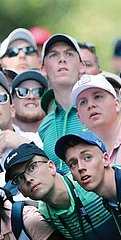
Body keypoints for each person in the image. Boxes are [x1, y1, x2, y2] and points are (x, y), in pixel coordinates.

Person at [37, 34, 87, 172]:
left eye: (69, 54)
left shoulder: (100, 108)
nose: (62, 59)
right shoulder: (44, 127)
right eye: (53, 55)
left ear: (82, 66)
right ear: (43, 70)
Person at [71, 73, 121, 167]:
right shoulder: (83, 152)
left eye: (98, 97)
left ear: (117, 104)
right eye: (83, 102)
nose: (90, 105)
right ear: (79, 117)